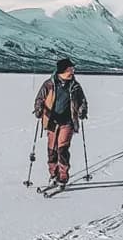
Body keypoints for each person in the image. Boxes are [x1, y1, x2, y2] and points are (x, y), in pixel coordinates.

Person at [33, 57, 89, 188]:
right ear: (62, 70)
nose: (73, 72)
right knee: (52, 151)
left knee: (62, 149)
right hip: (52, 121)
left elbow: (82, 101)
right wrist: (39, 109)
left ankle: (63, 177)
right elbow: (40, 99)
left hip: (68, 122)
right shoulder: (49, 84)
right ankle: (53, 174)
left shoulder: (75, 86)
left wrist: (82, 111)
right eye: (70, 69)